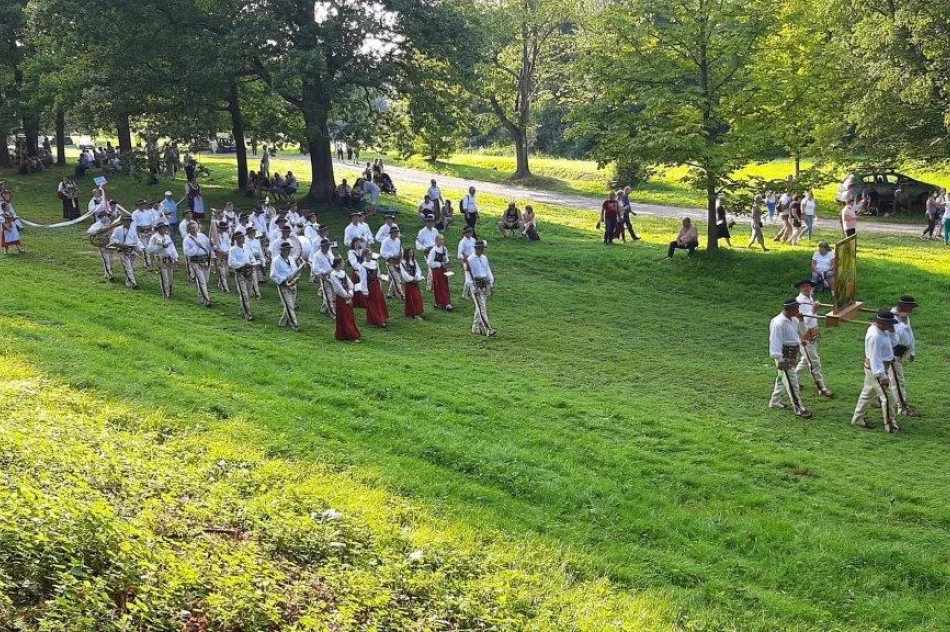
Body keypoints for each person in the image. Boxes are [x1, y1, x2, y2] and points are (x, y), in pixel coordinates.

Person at [851, 310, 900, 433]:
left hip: (876, 368)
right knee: (887, 397)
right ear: (882, 323)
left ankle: (857, 419)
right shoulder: (875, 336)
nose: (891, 326)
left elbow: (893, 343)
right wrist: (882, 376)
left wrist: (892, 332)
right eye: (890, 324)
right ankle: (890, 424)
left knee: (867, 394)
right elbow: (875, 357)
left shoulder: (882, 331)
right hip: (876, 370)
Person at [768, 298, 812, 419]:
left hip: (792, 355)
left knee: (782, 379)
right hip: (784, 356)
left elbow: (800, 333)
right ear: (788, 309)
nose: (798, 310)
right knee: (793, 383)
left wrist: (801, 323)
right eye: (796, 308)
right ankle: (798, 408)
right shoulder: (779, 323)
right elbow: (775, 342)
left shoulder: (793, 320)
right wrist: (780, 360)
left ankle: (775, 402)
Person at [794, 280, 833, 399]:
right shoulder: (800, 302)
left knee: (806, 361)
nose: (806, 288)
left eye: (808, 286)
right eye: (804, 286)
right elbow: (803, 323)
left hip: (813, 335)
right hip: (805, 337)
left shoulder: (810, 298)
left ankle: (792, 379)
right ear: (800, 288)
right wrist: (814, 311)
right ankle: (821, 387)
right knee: (814, 362)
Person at [890, 295, 920, 418]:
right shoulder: (892, 318)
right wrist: (902, 322)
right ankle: (902, 408)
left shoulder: (903, 316)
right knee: (898, 381)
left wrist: (912, 351)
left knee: (884, 380)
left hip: (900, 353)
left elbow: (909, 333)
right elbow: (895, 338)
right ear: (903, 306)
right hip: (893, 355)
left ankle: (880, 400)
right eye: (910, 307)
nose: (912, 310)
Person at [270, 241, 302, 331]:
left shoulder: (291, 259)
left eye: (289, 250)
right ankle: (294, 324)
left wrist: (295, 279)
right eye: (287, 250)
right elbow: (273, 275)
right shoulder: (276, 261)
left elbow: (295, 270)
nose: (288, 251)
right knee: (289, 305)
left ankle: (282, 323)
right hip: (283, 285)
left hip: (293, 283)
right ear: (282, 250)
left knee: (290, 304)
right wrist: (283, 280)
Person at [467, 240, 496, 336]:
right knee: (482, 308)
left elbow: (487, 270)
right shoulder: (470, 259)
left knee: (480, 307)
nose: (483, 250)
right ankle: (487, 329)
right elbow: (468, 275)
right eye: (481, 248)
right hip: (476, 285)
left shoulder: (484, 258)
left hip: (484, 284)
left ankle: (476, 327)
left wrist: (491, 282)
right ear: (477, 248)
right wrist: (473, 287)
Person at [183, 221, 214, 306]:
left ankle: (201, 297)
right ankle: (207, 300)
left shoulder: (203, 236)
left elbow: (210, 247)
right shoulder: (187, 240)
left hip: (206, 261)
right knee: (202, 281)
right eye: (191, 228)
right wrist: (196, 247)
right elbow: (187, 252)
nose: (193, 229)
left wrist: (212, 244)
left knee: (206, 280)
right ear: (188, 230)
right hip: (196, 262)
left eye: (195, 227)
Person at [330, 258, 361, 342]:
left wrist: (351, 292)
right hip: (341, 298)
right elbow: (337, 286)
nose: (344, 264)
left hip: (348, 296)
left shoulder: (343, 273)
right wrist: (345, 295)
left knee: (349, 315)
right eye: (342, 262)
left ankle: (345, 333)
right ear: (338, 264)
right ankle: (352, 335)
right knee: (344, 315)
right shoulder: (333, 274)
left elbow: (349, 283)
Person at [358, 246, 390, 327]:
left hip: (376, 285)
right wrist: (365, 291)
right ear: (365, 256)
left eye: (371, 254)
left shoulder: (374, 263)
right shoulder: (363, 266)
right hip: (370, 286)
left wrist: (382, 278)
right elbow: (363, 280)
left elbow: (378, 274)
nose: (370, 256)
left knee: (379, 301)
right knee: (373, 303)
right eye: (368, 254)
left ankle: (382, 317)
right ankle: (377, 319)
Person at [108, 216, 142, 289]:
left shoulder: (132, 230)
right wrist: (120, 244)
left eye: (129, 221)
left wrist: (140, 250)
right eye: (126, 221)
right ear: (123, 222)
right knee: (128, 267)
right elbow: (112, 239)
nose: (128, 222)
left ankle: (128, 282)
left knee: (131, 267)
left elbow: (137, 241)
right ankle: (133, 283)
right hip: (123, 250)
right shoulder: (117, 229)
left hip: (132, 250)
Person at [147, 221, 178, 300]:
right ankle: (166, 294)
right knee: (164, 278)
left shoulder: (167, 237)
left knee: (170, 277)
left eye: (165, 227)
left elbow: (172, 248)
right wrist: (160, 247)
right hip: (161, 259)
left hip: (169, 259)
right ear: (159, 229)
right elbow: (150, 250)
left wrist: (175, 257)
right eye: (163, 227)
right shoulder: (154, 237)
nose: (165, 229)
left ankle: (169, 291)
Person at [228, 231, 254, 321]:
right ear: (235, 239)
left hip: (249, 272)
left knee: (249, 293)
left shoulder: (246, 247)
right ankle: (247, 314)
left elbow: (252, 257)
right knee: (244, 294)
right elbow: (231, 263)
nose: (241, 239)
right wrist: (244, 263)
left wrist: (253, 262)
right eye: (239, 238)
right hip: (240, 273)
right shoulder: (233, 250)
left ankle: (242, 309)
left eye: (242, 237)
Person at [309, 237, 336, 317]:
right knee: (328, 295)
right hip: (324, 277)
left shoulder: (330, 253)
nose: (328, 247)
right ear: (322, 247)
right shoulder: (317, 256)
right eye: (327, 246)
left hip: (332, 275)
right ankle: (333, 313)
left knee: (333, 293)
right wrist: (324, 272)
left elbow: (333, 262)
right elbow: (315, 268)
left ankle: (324, 308)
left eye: (328, 246)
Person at [427, 234, 454, 311]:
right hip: (437, 271)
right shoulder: (433, 251)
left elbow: (446, 258)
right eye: (440, 240)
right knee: (439, 286)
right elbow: (429, 262)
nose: (442, 241)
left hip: (443, 270)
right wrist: (439, 264)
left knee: (445, 285)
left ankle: (446, 302)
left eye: (443, 240)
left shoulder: (444, 249)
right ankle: (440, 302)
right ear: (436, 241)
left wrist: (446, 261)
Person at [86, 210, 115, 279]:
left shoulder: (111, 224)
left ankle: (107, 273)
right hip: (102, 245)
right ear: (101, 217)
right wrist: (100, 230)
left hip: (111, 244)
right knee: (106, 259)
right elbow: (89, 231)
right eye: (104, 216)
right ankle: (109, 275)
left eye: (107, 216)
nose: (105, 217)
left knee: (111, 260)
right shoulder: (97, 224)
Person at [379, 225, 405, 300]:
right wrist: (392, 255)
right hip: (390, 262)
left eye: (397, 232)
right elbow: (382, 252)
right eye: (396, 233)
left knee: (393, 279)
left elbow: (401, 249)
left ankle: (389, 293)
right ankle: (401, 295)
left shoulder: (398, 241)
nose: (397, 234)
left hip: (398, 261)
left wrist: (401, 255)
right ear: (391, 233)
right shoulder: (385, 241)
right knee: (397, 279)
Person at [401, 247, 425, 319]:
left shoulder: (414, 261)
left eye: (412, 252)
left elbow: (418, 270)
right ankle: (415, 313)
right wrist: (411, 279)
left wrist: (417, 277)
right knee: (413, 298)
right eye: (409, 253)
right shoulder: (403, 263)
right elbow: (404, 273)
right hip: (409, 283)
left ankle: (419, 311)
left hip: (415, 282)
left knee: (418, 297)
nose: (411, 254)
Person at [242, 225, 266, 298]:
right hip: (249, 260)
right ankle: (255, 293)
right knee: (251, 277)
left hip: (257, 260)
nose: (253, 234)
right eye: (251, 233)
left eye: (254, 232)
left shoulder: (256, 241)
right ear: (248, 234)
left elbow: (260, 251)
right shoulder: (245, 241)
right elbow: (247, 252)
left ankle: (255, 293)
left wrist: (263, 262)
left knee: (254, 278)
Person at [213, 221, 232, 293]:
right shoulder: (215, 236)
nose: (223, 230)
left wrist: (229, 252)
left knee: (226, 272)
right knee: (222, 272)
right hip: (219, 255)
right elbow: (214, 247)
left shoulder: (226, 235)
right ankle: (225, 288)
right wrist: (221, 251)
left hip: (227, 255)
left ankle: (220, 283)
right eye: (222, 228)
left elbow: (229, 245)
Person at [457, 226, 476, 300]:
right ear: (465, 233)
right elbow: (459, 254)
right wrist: (465, 258)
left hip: (473, 260)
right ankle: (464, 294)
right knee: (468, 278)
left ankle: (471, 293)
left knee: (473, 277)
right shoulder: (462, 242)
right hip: (466, 261)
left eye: (471, 232)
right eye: (469, 232)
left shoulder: (473, 240)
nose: (470, 233)